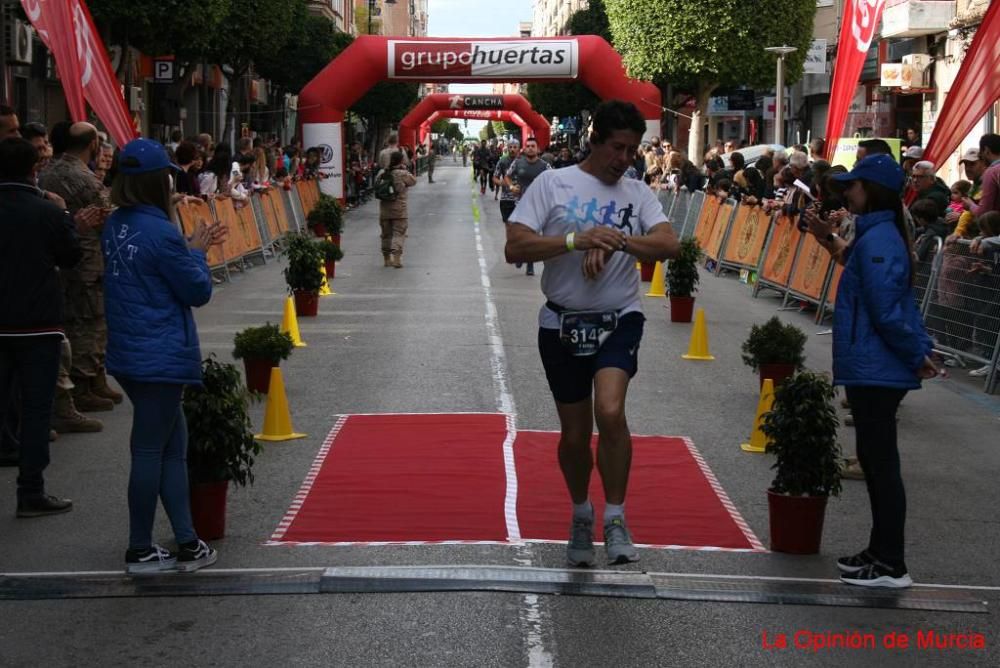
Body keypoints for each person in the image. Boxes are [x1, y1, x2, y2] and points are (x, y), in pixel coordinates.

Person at [504, 100, 680, 567]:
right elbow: (514, 246)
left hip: (619, 317)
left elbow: (668, 244)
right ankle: (582, 511)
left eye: (633, 149)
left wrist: (618, 238)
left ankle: (616, 516)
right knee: (575, 434)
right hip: (561, 322)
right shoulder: (553, 183)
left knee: (610, 409)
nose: (625, 159)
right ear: (595, 140)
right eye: (617, 148)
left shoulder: (636, 192)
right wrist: (574, 240)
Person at [802, 154, 937, 588]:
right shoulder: (877, 234)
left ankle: (891, 562)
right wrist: (825, 238)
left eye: (854, 186)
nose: (847, 192)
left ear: (872, 190)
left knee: (881, 468)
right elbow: (873, 288)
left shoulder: (880, 239)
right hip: (872, 364)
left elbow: (885, 309)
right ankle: (880, 553)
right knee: (878, 467)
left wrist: (917, 353)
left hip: (877, 366)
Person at [103, 138, 226, 573]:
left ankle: (189, 542)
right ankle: (140, 548)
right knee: (152, 450)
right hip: (160, 355)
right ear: (161, 181)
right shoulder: (160, 234)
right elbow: (197, 291)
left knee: (173, 446)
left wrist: (186, 244)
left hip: (131, 351)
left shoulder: (116, 224)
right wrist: (195, 252)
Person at [0, 137, 95, 516]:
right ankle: (31, 490)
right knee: (37, 410)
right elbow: (70, 256)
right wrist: (70, 222)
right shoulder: (48, 212)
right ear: (33, 169)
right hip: (38, 324)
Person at [504, 137, 551, 277]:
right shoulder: (518, 163)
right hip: (520, 203)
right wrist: (512, 186)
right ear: (524, 148)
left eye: (533, 146)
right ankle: (520, 256)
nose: (530, 148)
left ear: (538, 149)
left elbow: (553, 180)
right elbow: (507, 176)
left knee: (532, 234)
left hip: (537, 205)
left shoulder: (545, 166)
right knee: (518, 233)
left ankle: (529, 264)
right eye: (528, 146)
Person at [377, 151, 417, 268]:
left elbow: (376, 185)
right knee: (399, 233)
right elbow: (413, 181)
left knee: (386, 234)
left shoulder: (382, 173)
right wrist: (405, 169)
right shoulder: (402, 173)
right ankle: (397, 259)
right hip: (399, 209)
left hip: (384, 209)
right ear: (401, 161)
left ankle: (386, 259)